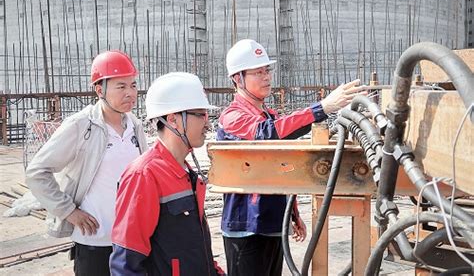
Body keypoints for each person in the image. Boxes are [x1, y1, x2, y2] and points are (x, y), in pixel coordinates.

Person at [217, 39, 367, 276]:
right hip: (246, 227)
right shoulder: (233, 116)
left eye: (267, 70)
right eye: (258, 72)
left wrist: (293, 213)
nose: (266, 77)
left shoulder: (270, 115)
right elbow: (265, 134)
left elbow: (283, 166)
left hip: (273, 223)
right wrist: (322, 108)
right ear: (238, 78)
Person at [26, 50, 148, 276]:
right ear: (99, 90)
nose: (131, 93)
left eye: (133, 85)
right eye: (121, 86)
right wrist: (68, 211)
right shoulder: (82, 126)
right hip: (95, 243)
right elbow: (37, 172)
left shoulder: (135, 125)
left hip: (132, 241)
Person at [110, 72, 225, 276]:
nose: (208, 123)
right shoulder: (144, 175)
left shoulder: (186, 172)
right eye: (201, 115)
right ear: (173, 120)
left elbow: (196, 249)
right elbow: (126, 264)